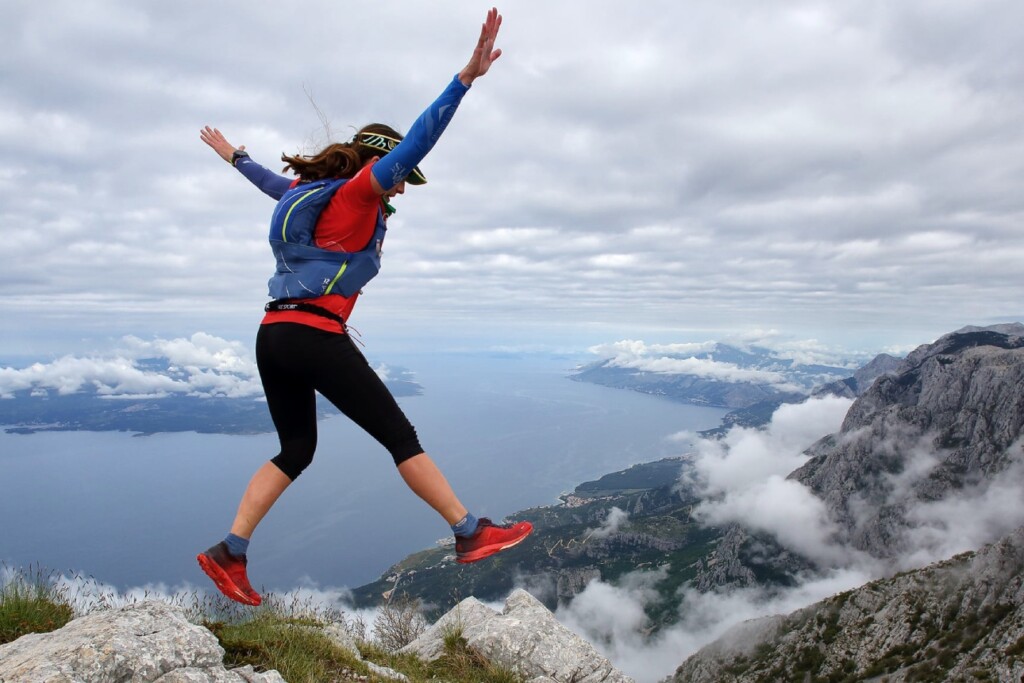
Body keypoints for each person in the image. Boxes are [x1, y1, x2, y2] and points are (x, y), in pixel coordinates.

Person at [196, 7, 532, 607]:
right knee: (400, 436)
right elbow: (422, 136)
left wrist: (232, 156)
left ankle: (230, 553)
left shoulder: (308, 193)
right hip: (315, 336)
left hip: (273, 334)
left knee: (296, 449)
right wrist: (466, 78)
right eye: (401, 176)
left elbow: (265, 181)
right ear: (379, 161)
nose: (402, 188)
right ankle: (469, 532)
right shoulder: (356, 194)